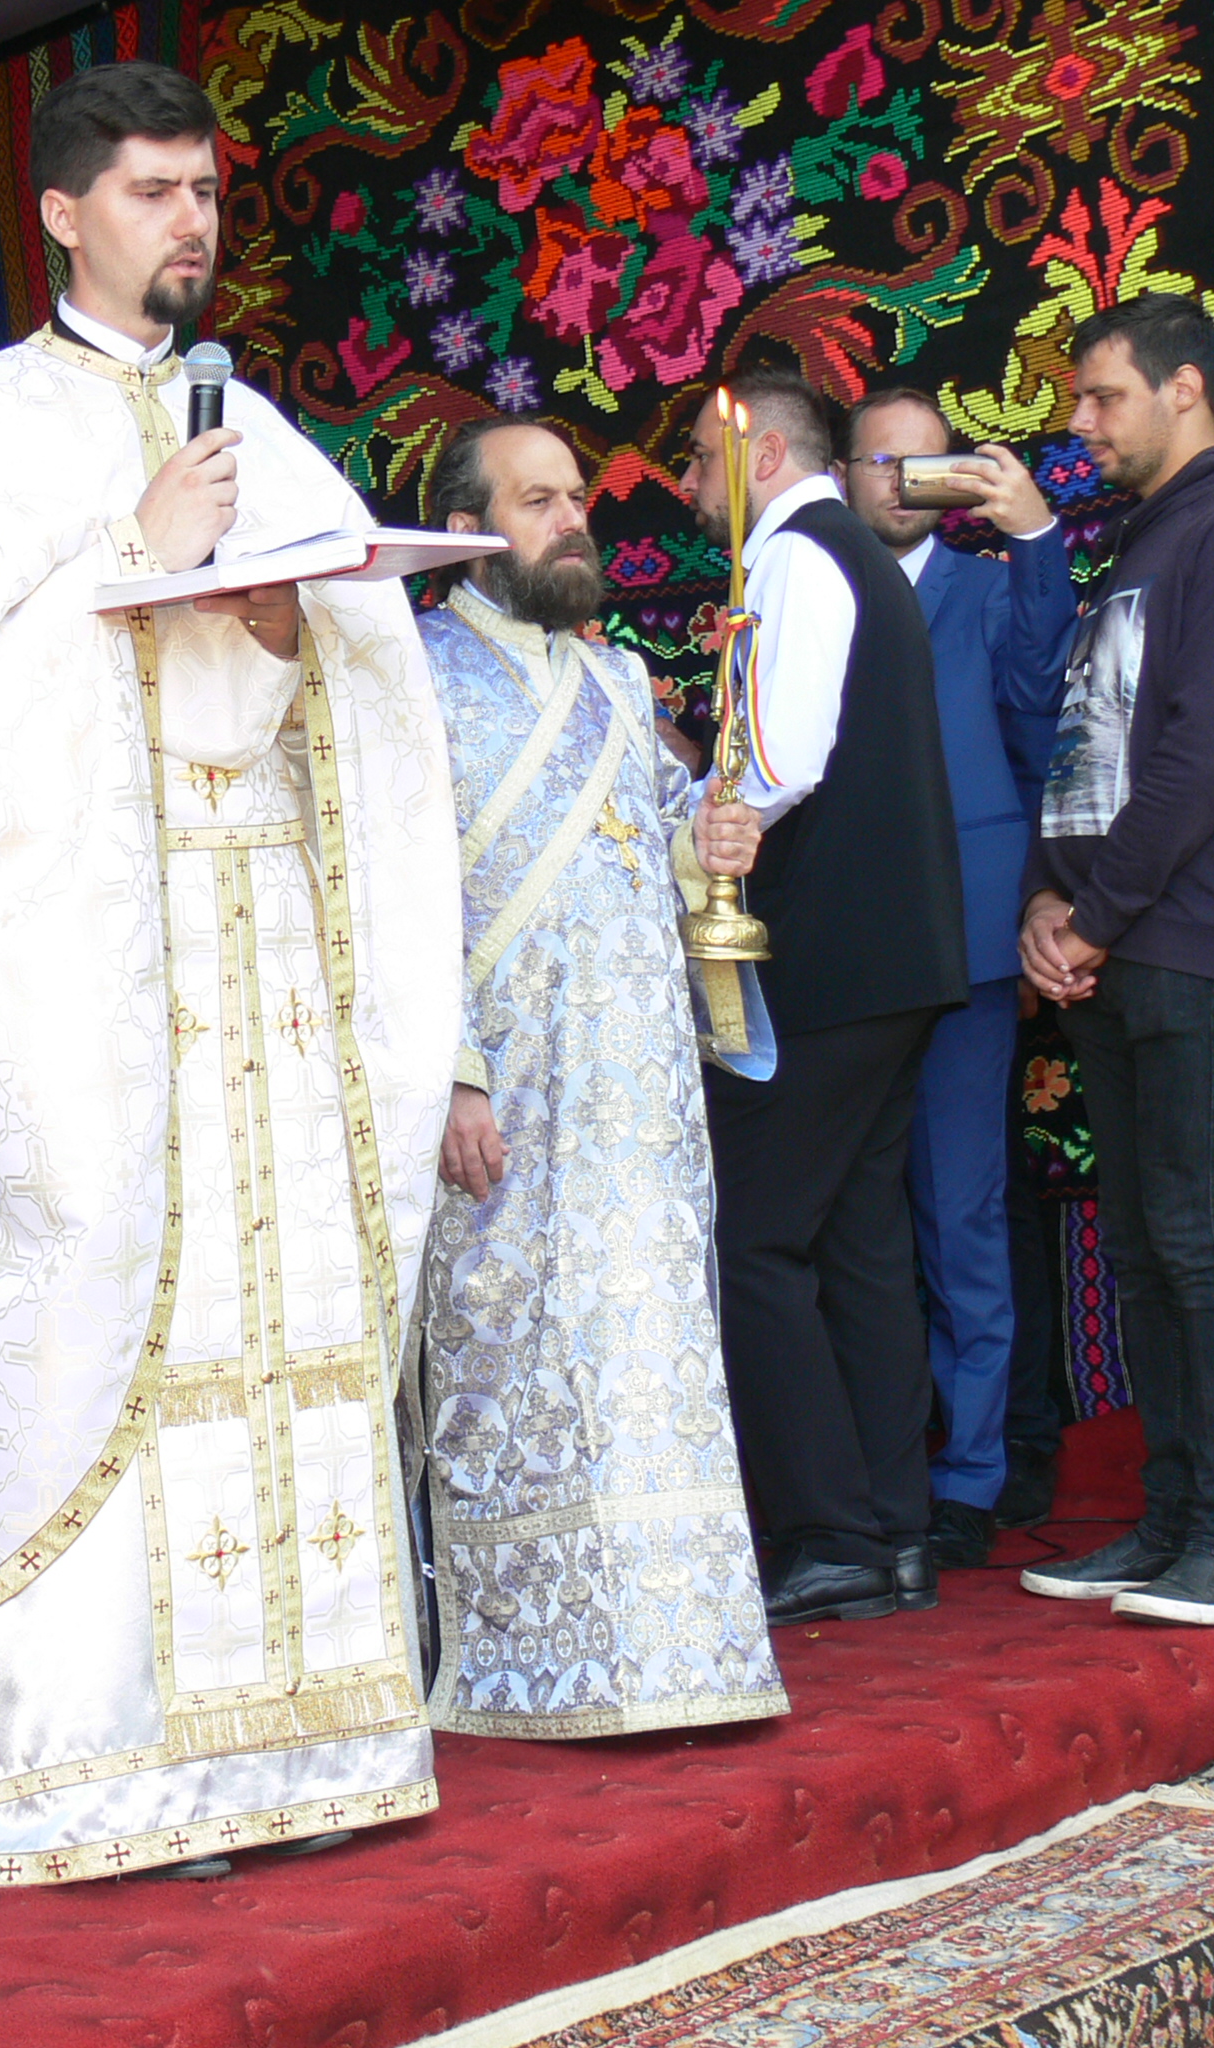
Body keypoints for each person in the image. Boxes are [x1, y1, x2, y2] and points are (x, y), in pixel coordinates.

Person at [0, 60, 461, 1886]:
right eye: (148, 190)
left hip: (264, 966)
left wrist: (290, 611)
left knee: (275, 1325)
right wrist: (127, 560)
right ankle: (97, 1764)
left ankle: (295, 1742)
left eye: (203, 190)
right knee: (105, 1317)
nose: (189, 222)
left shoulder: (263, 429)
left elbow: (351, 680)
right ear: (60, 213)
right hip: (98, 983)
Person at [415, 416, 788, 1735]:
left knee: (651, 1359)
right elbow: (394, 897)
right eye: (537, 500)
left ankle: (679, 1650)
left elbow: (653, 845)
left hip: (637, 1092)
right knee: (519, 1361)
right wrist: (449, 1073)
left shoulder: (625, 682)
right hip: (512, 1087)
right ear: (470, 529)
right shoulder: (410, 675)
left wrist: (712, 837)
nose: (574, 518)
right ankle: (529, 1659)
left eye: (576, 495)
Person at [1014, 298, 1214, 1628]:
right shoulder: (1135, 542)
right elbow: (1085, 744)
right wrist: (1044, 897)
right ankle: (1173, 1526)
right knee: (1142, 1245)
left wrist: (1094, 916)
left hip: (1192, 936)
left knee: (1199, 1241)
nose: (1081, 426)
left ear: (1185, 389)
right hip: (1112, 941)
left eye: (1102, 398)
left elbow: (1207, 752)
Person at [681, 368, 968, 1628]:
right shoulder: (852, 551)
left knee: (753, 1233)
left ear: (766, 450)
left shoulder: (793, 555)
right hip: (896, 953)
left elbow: (781, 740)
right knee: (856, 1237)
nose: (686, 486)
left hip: (834, 949)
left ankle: (821, 1528)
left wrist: (725, 815)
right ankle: (893, 1528)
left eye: (700, 459)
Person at [835, 390, 1080, 1567]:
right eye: (882, 463)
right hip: (833, 952)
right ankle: (861, 1466)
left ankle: (971, 1472)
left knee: (961, 1209)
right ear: (840, 473)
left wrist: (1031, 533)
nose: (901, 483)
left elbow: (1043, 703)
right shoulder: (799, 591)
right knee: (849, 1215)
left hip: (966, 947)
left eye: (925, 467)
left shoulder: (987, 592)